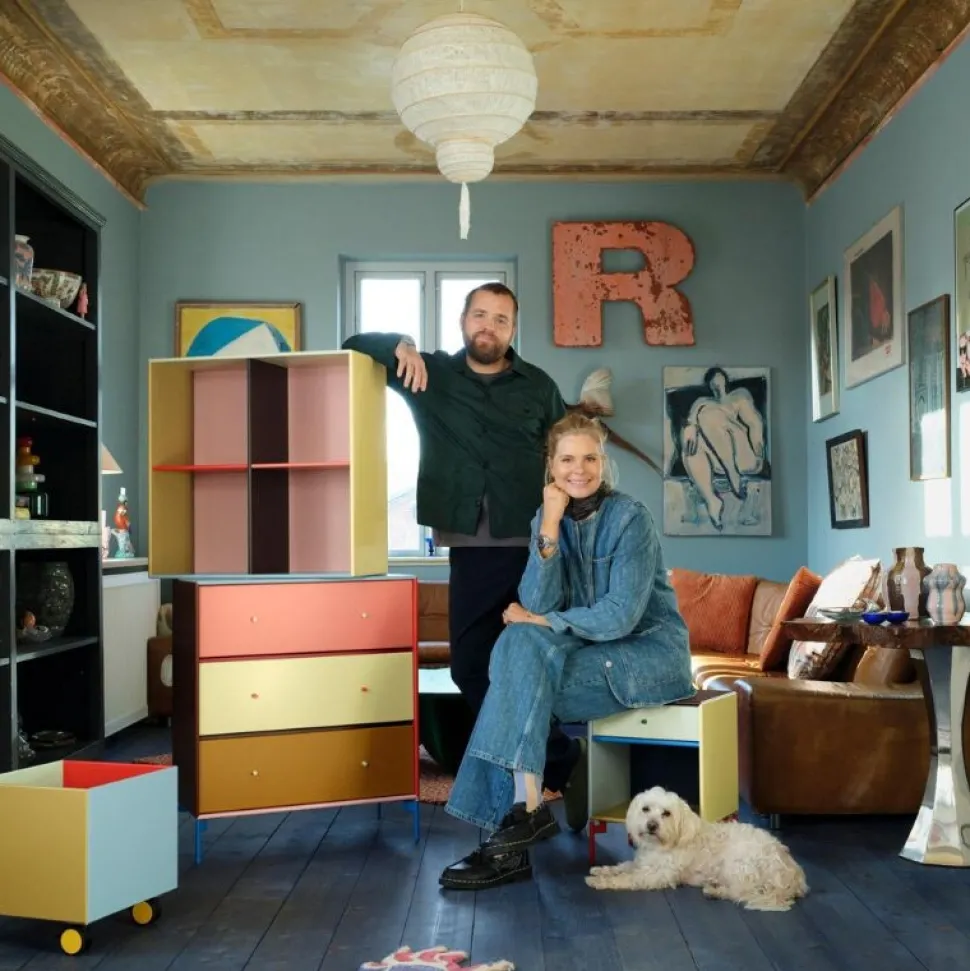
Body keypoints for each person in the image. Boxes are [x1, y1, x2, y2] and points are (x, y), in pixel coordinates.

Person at [341, 283, 588, 827]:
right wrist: (400, 343)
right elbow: (353, 345)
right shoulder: (429, 374)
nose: (489, 326)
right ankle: (563, 764)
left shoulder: (539, 386)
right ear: (463, 320)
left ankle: (536, 778)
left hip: (535, 545)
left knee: (523, 665)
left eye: (501, 319)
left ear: (513, 329)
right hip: (472, 547)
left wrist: (572, 533)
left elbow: (566, 458)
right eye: (480, 314)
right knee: (473, 667)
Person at [438, 412, 694, 891]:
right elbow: (537, 601)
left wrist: (544, 622)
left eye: (590, 458)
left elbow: (620, 615)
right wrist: (551, 525)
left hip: (646, 656)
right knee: (517, 644)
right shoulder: (546, 518)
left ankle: (509, 837)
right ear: (551, 465)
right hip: (589, 650)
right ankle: (527, 811)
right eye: (568, 460)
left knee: (518, 678)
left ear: (604, 462)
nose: (580, 470)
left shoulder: (631, 519)